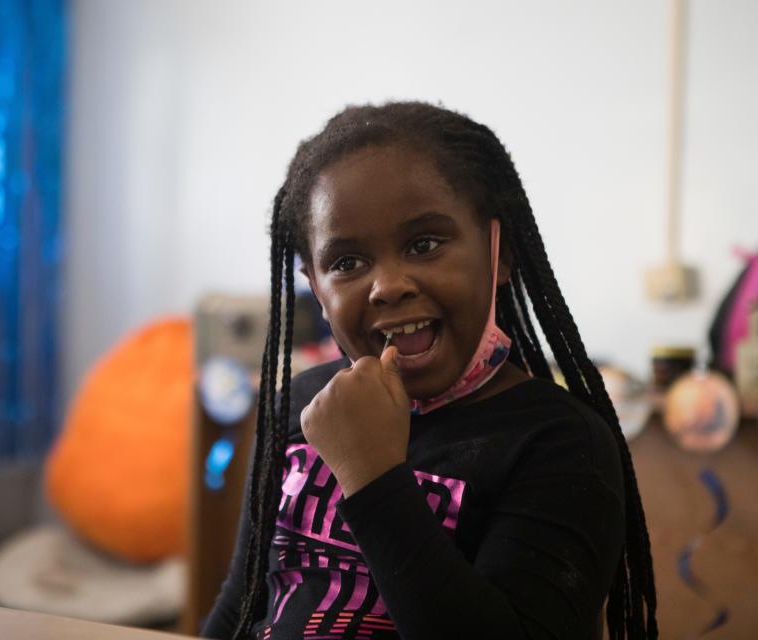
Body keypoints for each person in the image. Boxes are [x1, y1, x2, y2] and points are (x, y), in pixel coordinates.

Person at [201, 102, 657, 640]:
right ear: (316, 288)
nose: (388, 285)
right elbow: (242, 603)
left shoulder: (562, 444)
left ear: (498, 253)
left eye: (424, 244)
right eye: (346, 263)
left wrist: (370, 475)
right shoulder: (301, 405)